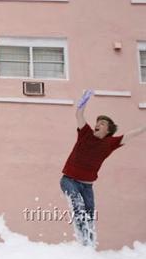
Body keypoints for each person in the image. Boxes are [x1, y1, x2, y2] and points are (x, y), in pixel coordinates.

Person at [61, 90, 146, 247]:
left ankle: (88, 244)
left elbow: (131, 134)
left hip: (87, 185)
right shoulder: (85, 133)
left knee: (90, 215)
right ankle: (83, 242)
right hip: (69, 180)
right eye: (97, 122)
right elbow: (79, 116)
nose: (98, 124)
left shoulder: (110, 143)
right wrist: (83, 103)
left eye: (102, 124)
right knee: (78, 207)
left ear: (108, 130)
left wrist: (143, 128)